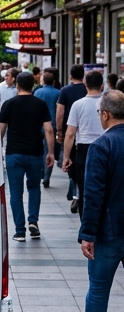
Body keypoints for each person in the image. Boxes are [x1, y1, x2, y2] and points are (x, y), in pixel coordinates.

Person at [69, 89, 124, 312]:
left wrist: (87, 233)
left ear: (105, 114)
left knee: (99, 288)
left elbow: (93, 195)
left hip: (109, 231)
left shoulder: (102, 146)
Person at [0, 71, 55, 242]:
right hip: (35, 153)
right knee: (34, 188)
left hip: (14, 153)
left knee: (15, 193)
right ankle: (33, 222)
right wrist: (51, 152)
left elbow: (0, 131)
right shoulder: (40, 104)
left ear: (17, 84)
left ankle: (19, 231)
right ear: (33, 85)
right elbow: (49, 130)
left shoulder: (8, 104)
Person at [62, 69, 105, 223]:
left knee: (85, 188)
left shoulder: (77, 105)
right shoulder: (107, 103)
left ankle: (86, 224)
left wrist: (66, 157)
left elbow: (70, 134)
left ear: (85, 85)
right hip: (106, 146)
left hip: (84, 149)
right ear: (102, 85)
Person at [56, 65, 87, 211]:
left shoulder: (65, 91)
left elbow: (60, 112)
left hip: (71, 131)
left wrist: (60, 131)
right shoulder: (87, 89)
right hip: (86, 132)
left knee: (70, 164)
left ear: (70, 76)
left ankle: (76, 193)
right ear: (83, 75)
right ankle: (78, 194)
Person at [34, 68, 60, 188]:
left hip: (38, 124)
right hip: (51, 125)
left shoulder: (38, 92)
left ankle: (40, 173)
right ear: (53, 82)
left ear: (43, 81)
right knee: (49, 150)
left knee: (40, 150)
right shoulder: (58, 93)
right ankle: (46, 177)